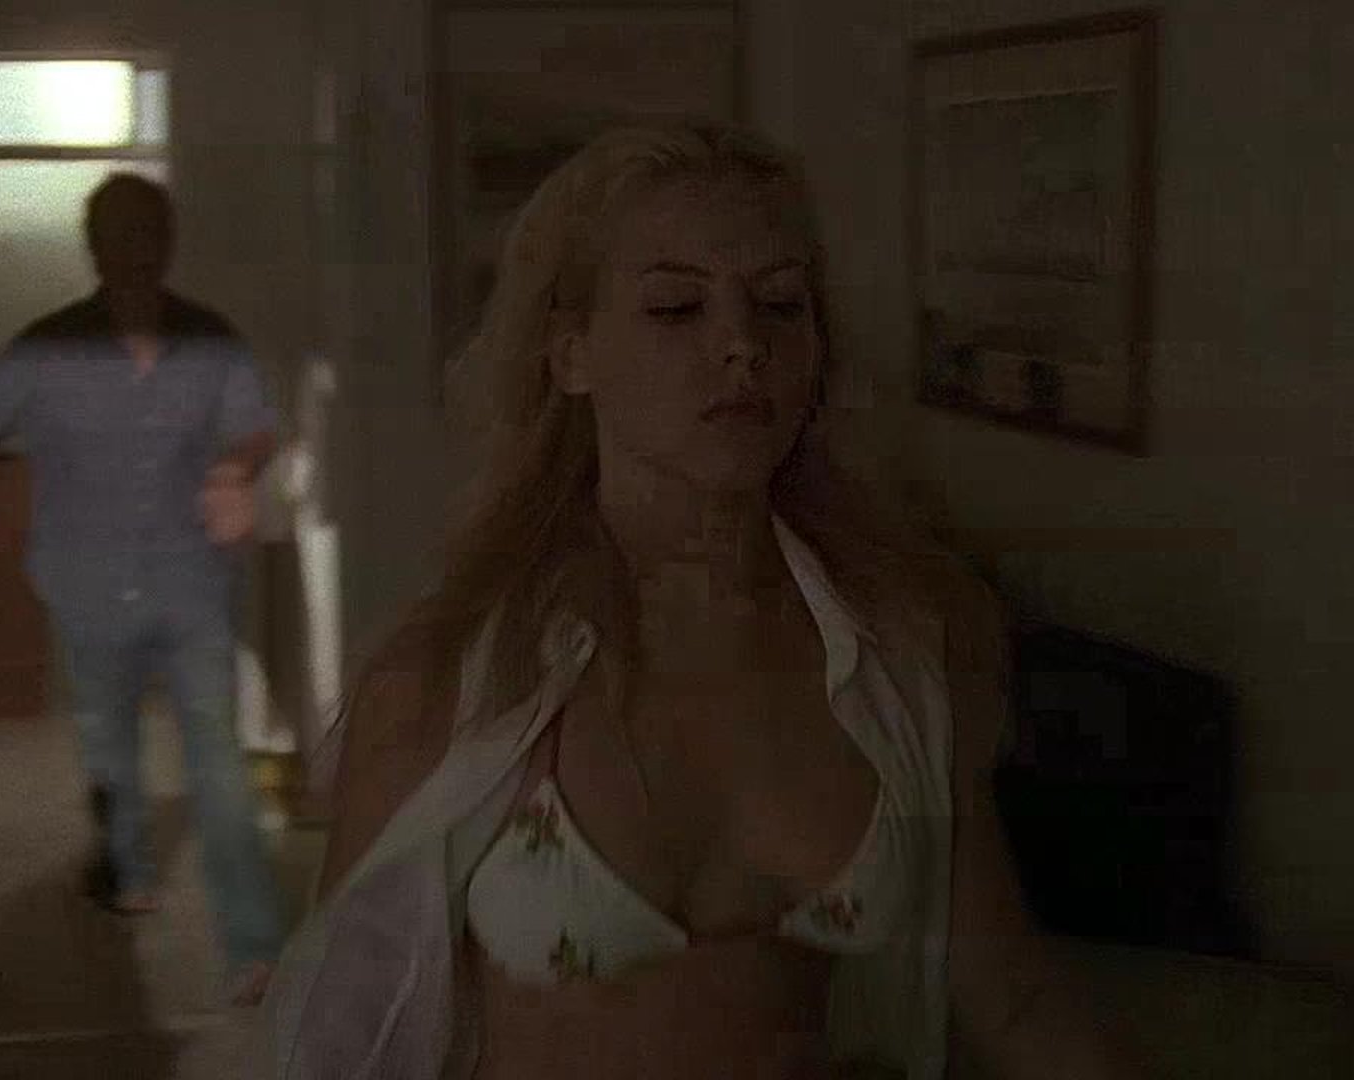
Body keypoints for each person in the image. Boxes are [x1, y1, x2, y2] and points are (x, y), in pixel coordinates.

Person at [259, 124, 1144, 1077]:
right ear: (570, 354)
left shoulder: (892, 654)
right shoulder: (455, 676)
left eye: (780, 304)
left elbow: (1012, 1001)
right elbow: (334, 1042)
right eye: (677, 308)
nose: (742, 346)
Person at [0, 173, 283, 1005]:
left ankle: (253, 945)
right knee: (111, 745)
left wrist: (236, 469)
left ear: (169, 241)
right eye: (119, 232)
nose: (135, 248)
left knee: (217, 759)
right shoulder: (50, 346)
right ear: (93, 246)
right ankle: (129, 873)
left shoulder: (209, 339)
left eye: (149, 230)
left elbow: (257, 427)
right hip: (88, 583)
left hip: (191, 580)